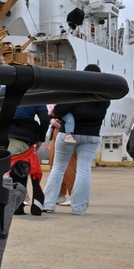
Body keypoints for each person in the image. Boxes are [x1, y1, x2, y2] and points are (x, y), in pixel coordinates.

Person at [41, 65, 109, 215]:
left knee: (58, 168)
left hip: (68, 134)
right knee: (84, 170)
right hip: (91, 136)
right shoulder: (104, 98)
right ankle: (79, 208)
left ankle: (48, 204)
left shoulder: (78, 93)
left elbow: (58, 111)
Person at [0, 104, 50, 215]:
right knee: (19, 168)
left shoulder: (4, 90)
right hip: (22, 137)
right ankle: (17, 206)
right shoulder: (36, 94)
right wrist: (41, 138)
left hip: (0, 136)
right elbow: (45, 119)